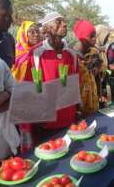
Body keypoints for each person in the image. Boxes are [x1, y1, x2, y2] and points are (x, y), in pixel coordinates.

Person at [19, 12, 78, 152]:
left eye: (64, 22)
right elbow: (28, 89)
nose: (64, 24)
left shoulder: (72, 54)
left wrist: (77, 110)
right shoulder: (35, 54)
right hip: (46, 124)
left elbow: (75, 86)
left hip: (69, 120)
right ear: (46, 29)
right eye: (58, 22)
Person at [0, 0, 20, 162]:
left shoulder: (8, 40)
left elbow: (11, 82)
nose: (10, 21)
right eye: (5, 15)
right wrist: (7, 93)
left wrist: (8, 93)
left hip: (5, 128)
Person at [73, 20, 107, 115]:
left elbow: (98, 77)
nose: (94, 39)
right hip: (79, 102)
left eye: (95, 35)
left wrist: (100, 95)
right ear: (82, 37)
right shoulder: (73, 57)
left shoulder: (94, 53)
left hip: (93, 99)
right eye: (91, 36)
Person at [0, 0, 15, 68]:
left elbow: (7, 78)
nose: (11, 20)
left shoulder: (9, 39)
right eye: (5, 15)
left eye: (11, 15)